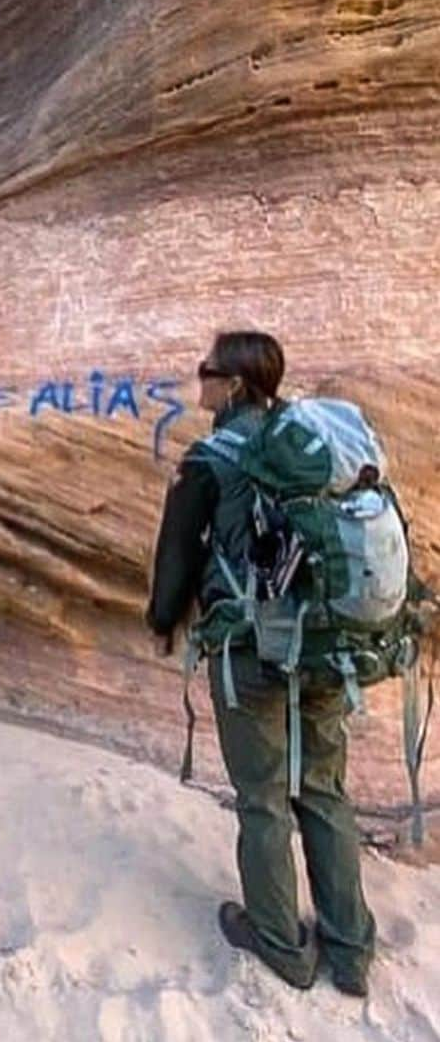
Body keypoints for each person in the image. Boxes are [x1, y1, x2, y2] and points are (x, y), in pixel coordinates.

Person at [146, 331, 375, 996]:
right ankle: (351, 950)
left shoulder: (211, 458)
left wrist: (165, 622)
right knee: (326, 790)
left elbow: (176, 565)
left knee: (264, 797)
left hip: (251, 652)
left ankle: (281, 944)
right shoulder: (314, 446)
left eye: (207, 373)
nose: (200, 385)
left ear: (236, 384)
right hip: (329, 646)